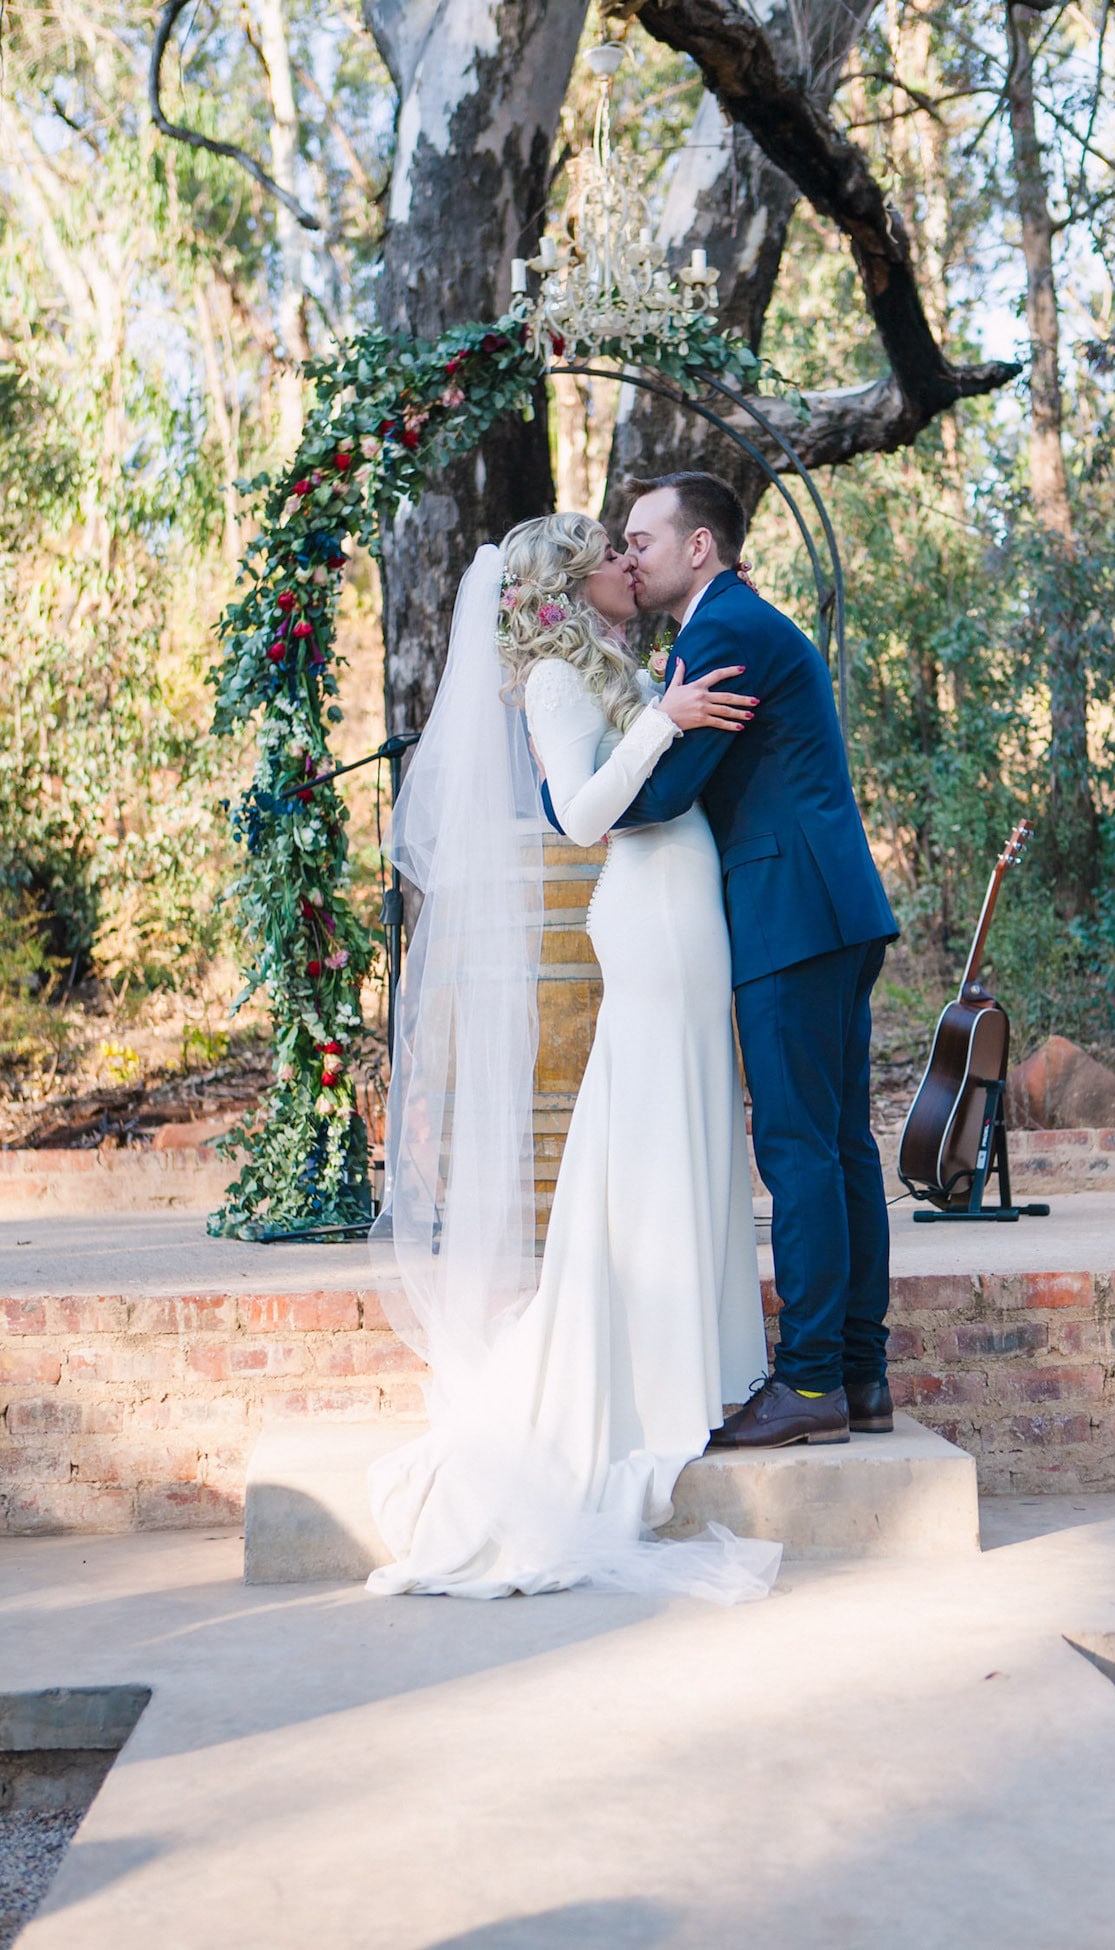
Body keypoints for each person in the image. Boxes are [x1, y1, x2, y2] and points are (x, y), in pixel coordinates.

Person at [367, 513, 779, 1601]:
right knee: (650, 1130)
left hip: (684, 903)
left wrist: (665, 710)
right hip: (645, 912)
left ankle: (706, 1367)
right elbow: (585, 816)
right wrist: (665, 724)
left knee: (682, 1122)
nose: (623, 563)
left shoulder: (608, 662)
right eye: (606, 553)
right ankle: (660, 1376)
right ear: (563, 583)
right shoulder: (552, 677)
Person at [610, 472, 899, 1449]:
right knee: (839, 1146)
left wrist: (594, 781)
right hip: (830, 906)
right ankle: (859, 1375)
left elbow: (663, 793)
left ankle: (812, 1381)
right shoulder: (736, 623)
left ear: (699, 547)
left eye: (641, 537)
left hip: (791, 911)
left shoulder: (722, 629)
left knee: (799, 1149)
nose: (629, 553)